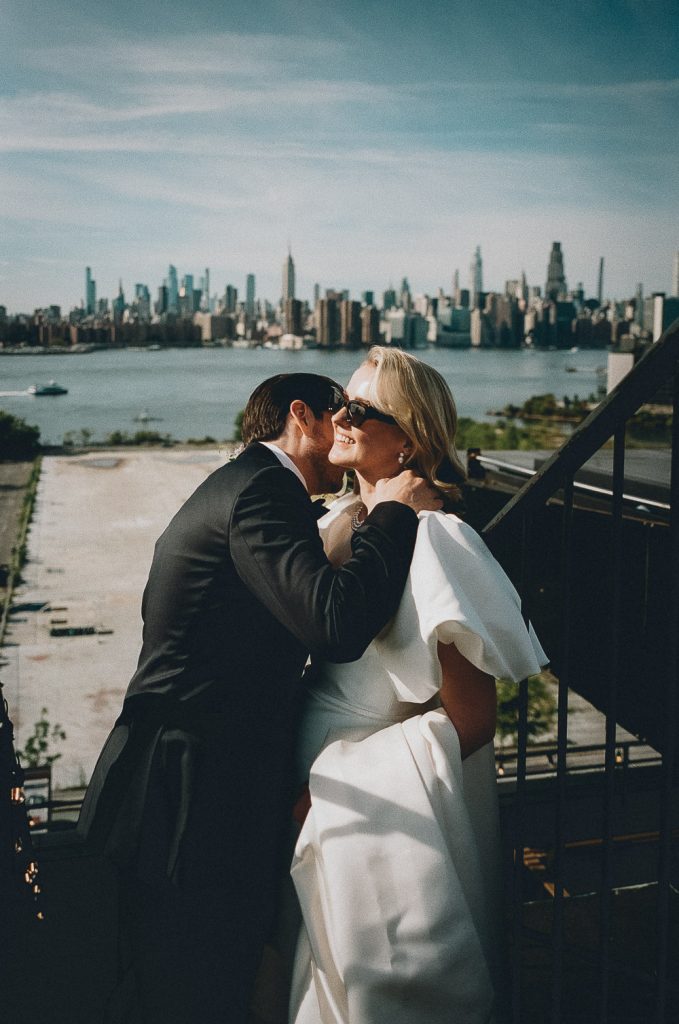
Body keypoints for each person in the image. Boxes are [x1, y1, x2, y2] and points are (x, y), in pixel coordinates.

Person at [76, 371, 441, 1024]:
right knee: (194, 990)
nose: (351, 426)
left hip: (191, 788)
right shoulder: (263, 490)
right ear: (302, 416)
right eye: (343, 412)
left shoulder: (251, 488)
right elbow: (334, 625)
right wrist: (394, 508)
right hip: (186, 798)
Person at [288, 348, 548, 1024]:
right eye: (339, 401)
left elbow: (471, 719)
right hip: (318, 801)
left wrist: (338, 791)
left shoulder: (436, 541)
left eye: (360, 409)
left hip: (373, 821)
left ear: (408, 439)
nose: (337, 416)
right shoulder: (336, 528)